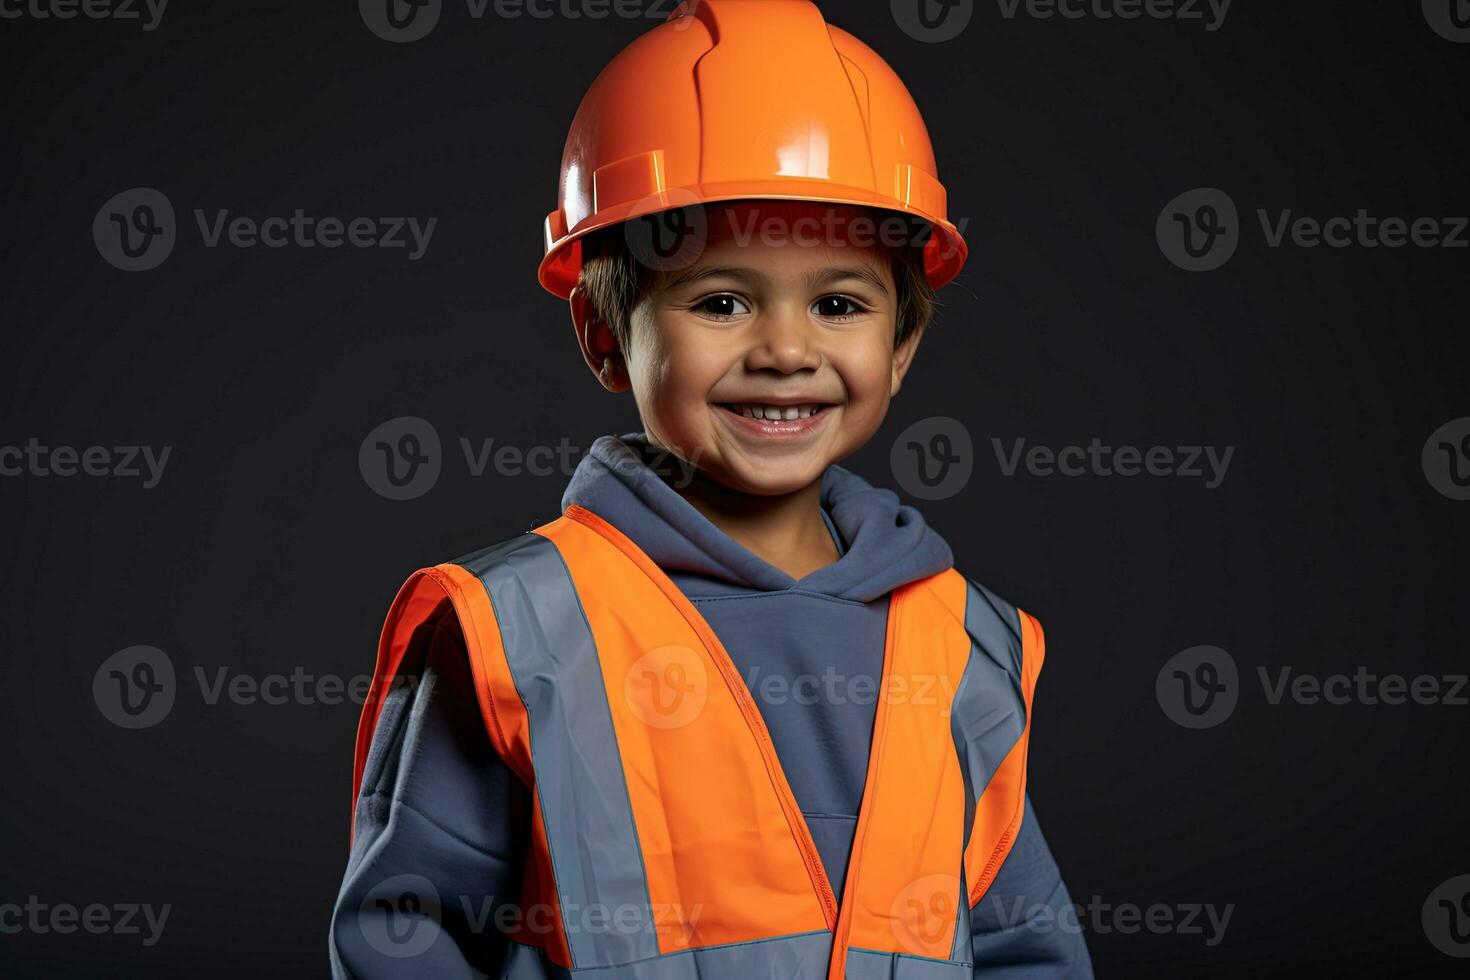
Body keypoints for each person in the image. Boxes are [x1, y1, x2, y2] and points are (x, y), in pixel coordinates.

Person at [330, 2, 1093, 976]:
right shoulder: (518, 628)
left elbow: (1026, 945)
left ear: (901, 343)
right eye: (721, 300)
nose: (784, 349)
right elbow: (405, 936)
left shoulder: (962, 643)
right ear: (608, 335)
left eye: (838, 302)